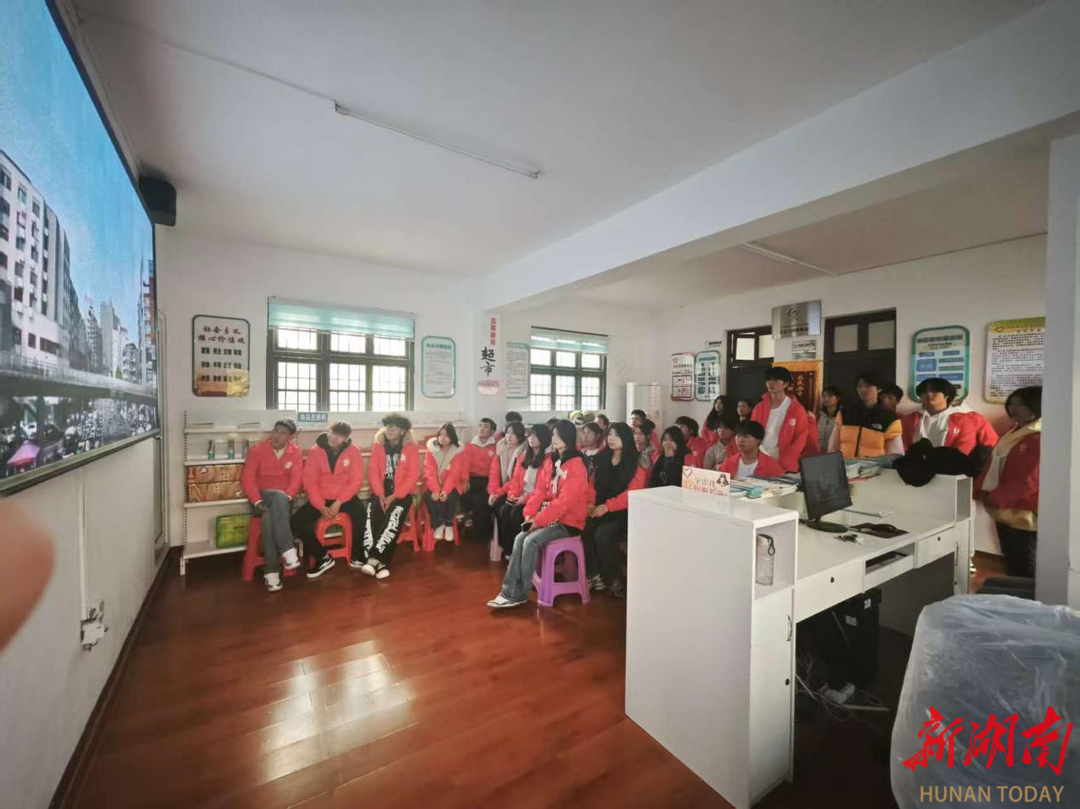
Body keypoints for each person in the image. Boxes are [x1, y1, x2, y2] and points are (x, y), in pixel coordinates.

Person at [487, 420, 590, 609]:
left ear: (567, 437)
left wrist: (538, 520)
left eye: (557, 435)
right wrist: (529, 514)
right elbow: (540, 491)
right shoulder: (552, 461)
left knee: (530, 541)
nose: (554, 438)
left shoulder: (576, 465)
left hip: (569, 522)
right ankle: (508, 591)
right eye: (553, 435)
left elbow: (564, 503)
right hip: (551, 518)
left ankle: (520, 594)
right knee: (520, 537)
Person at [975, 386, 1040, 578]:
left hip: (1024, 511)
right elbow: (994, 462)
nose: (1014, 408)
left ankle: (1026, 597)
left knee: (1025, 565)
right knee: (1012, 559)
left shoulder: (1039, 436)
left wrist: (996, 497)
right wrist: (980, 489)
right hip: (1005, 510)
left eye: (1022, 404)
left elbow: (1030, 479)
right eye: (1011, 403)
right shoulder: (1014, 431)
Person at [291, 421, 364, 580]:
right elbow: (310, 482)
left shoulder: (353, 451)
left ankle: (358, 555)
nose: (334, 438)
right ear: (328, 431)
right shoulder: (315, 451)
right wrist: (321, 506)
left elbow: (356, 481)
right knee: (296, 522)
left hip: (344, 497)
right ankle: (322, 557)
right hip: (322, 498)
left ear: (346, 439)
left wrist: (339, 502)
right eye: (333, 433)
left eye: (340, 436)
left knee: (362, 515)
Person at [582, 422, 648, 598]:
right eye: (610, 434)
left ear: (626, 438)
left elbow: (632, 493)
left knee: (603, 534)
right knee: (583, 526)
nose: (611, 438)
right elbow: (590, 485)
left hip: (624, 512)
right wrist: (590, 503)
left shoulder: (636, 462)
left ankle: (614, 578)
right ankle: (594, 574)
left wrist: (607, 507)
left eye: (616, 435)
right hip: (600, 508)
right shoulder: (601, 459)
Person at [241, 418, 304, 591]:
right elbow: (248, 479)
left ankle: (272, 571)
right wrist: (257, 501)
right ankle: (288, 549)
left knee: (269, 516)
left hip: (284, 501)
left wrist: (287, 498)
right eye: (276, 431)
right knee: (275, 498)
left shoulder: (295, 452)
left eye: (283, 433)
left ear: (290, 437)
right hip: (260, 499)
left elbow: (296, 480)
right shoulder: (257, 450)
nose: (277, 436)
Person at [355, 413, 420, 578]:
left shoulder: (411, 447)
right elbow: (373, 472)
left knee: (392, 520)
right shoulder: (378, 445)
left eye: (394, 427)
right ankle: (380, 563)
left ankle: (374, 559)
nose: (390, 429)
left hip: (402, 493)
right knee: (372, 517)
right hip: (381, 491)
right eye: (388, 426)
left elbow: (412, 476)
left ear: (403, 431)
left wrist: (395, 496)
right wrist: (380, 494)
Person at [902, 377, 1000, 455]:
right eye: (924, 392)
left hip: (953, 469)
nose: (929, 394)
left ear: (947, 395)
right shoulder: (910, 419)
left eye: (934, 391)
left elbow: (988, 445)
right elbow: (903, 445)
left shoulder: (967, 418)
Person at [497, 424, 551, 556]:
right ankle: (508, 551)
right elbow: (515, 480)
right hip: (521, 495)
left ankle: (520, 552)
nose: (531, 438)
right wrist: (513, 495)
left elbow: (542, 489)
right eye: (530, 435)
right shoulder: (524, 456)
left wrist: (524, 499)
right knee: (504, 510)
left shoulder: (548, 459)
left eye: (535, 436)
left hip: (537, 500)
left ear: (544, 438)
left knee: (516, 514)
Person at [828, 371, 904, 458]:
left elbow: (895, 453)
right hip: (846, 464)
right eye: (860, 386)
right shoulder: (845, 413)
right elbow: (833, 446)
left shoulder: (889, 418)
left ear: (879, 389)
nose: (863, 389)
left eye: (868, 386)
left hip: (875, 466)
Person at [750, 367, 810, 473]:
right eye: (769, 380)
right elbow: (751, 433)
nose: (771, 383)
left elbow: (800, 439)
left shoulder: (797, 409)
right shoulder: (759, 407)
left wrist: (786, 461)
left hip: (784, 461)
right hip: (760, 457)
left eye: (776, 380)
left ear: (786, 384)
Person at [423, 422, 467, 541]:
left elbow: (454, 474)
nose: (442, 437)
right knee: (429, 496)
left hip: (452, 484)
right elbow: (429, 471)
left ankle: (448, 524)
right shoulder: (431, 450)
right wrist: (436, 490)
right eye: (440, 434)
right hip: (433, 484)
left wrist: (445, 491)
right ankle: (438, 524)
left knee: (452, 495)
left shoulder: (457, 451)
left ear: (452, 437)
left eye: (446, 435)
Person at [488, 420, 527, 543]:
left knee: (502, 507)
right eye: (507, 432)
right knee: (489, 502)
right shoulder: (502, 448)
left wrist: (498, 493)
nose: (509, 436)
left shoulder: (524, 451)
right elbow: (494, 472)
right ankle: (498, 541)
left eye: (513, 433)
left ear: (520, 435)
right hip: (502, 487)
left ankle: (506, 543)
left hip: (517, 489)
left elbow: (516, 479)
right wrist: (493, 492)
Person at [462, 417, 499, 540]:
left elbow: (495, 469)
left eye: (485, 426)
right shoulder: (470, 445)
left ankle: (482, 534)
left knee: (481, 501)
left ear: (492, 431)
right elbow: (465, 465)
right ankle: (473, 528)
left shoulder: (496, 446)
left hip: (489, 480)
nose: (481, 429)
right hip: (472, 478)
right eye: (480, 426)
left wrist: (491, 485)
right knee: (465, 495)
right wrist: (465, 480)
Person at [719, 421, 787, 480]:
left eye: (745, 436)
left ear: (758, 440)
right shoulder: (728, 463)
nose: (740, 440)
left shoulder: (770, 465)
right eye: (738, 436)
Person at [817, 386, 842, 453]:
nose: (826, 399)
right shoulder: (818, 415)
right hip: (817, 451)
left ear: (837, 398)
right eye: (824, 396)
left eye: (830, 396)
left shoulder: (841, 416)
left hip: (834, 452)